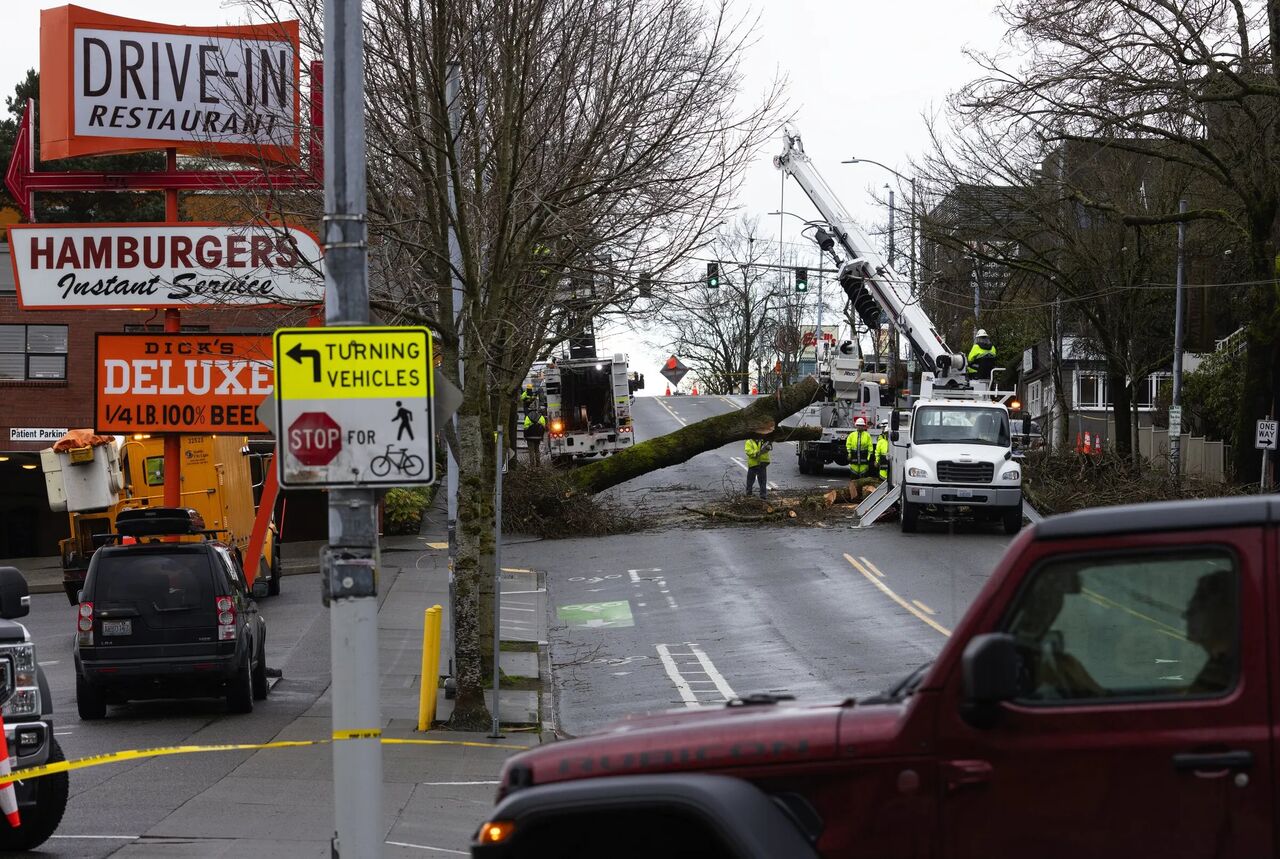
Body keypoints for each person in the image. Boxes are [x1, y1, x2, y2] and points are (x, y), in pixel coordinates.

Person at [1184, 568, 1235, 695]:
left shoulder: (1220, 675)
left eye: (1197, 607)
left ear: (1220, 612)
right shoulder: (1224, 664)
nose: (1186, 614)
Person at [845, 417, 874, 488]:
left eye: (861, 425)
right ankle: (853, 496)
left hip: (864, 462)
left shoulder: (867, 435)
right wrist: (849, 454)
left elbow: (870, 448)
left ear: (864, 426)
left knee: (864, 482)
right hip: (854, 462)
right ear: (856, 425)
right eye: (858, 425)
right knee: (853, 482)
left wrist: (868, 458)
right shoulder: (852, 435)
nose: (860, 427)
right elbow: (848, 445)